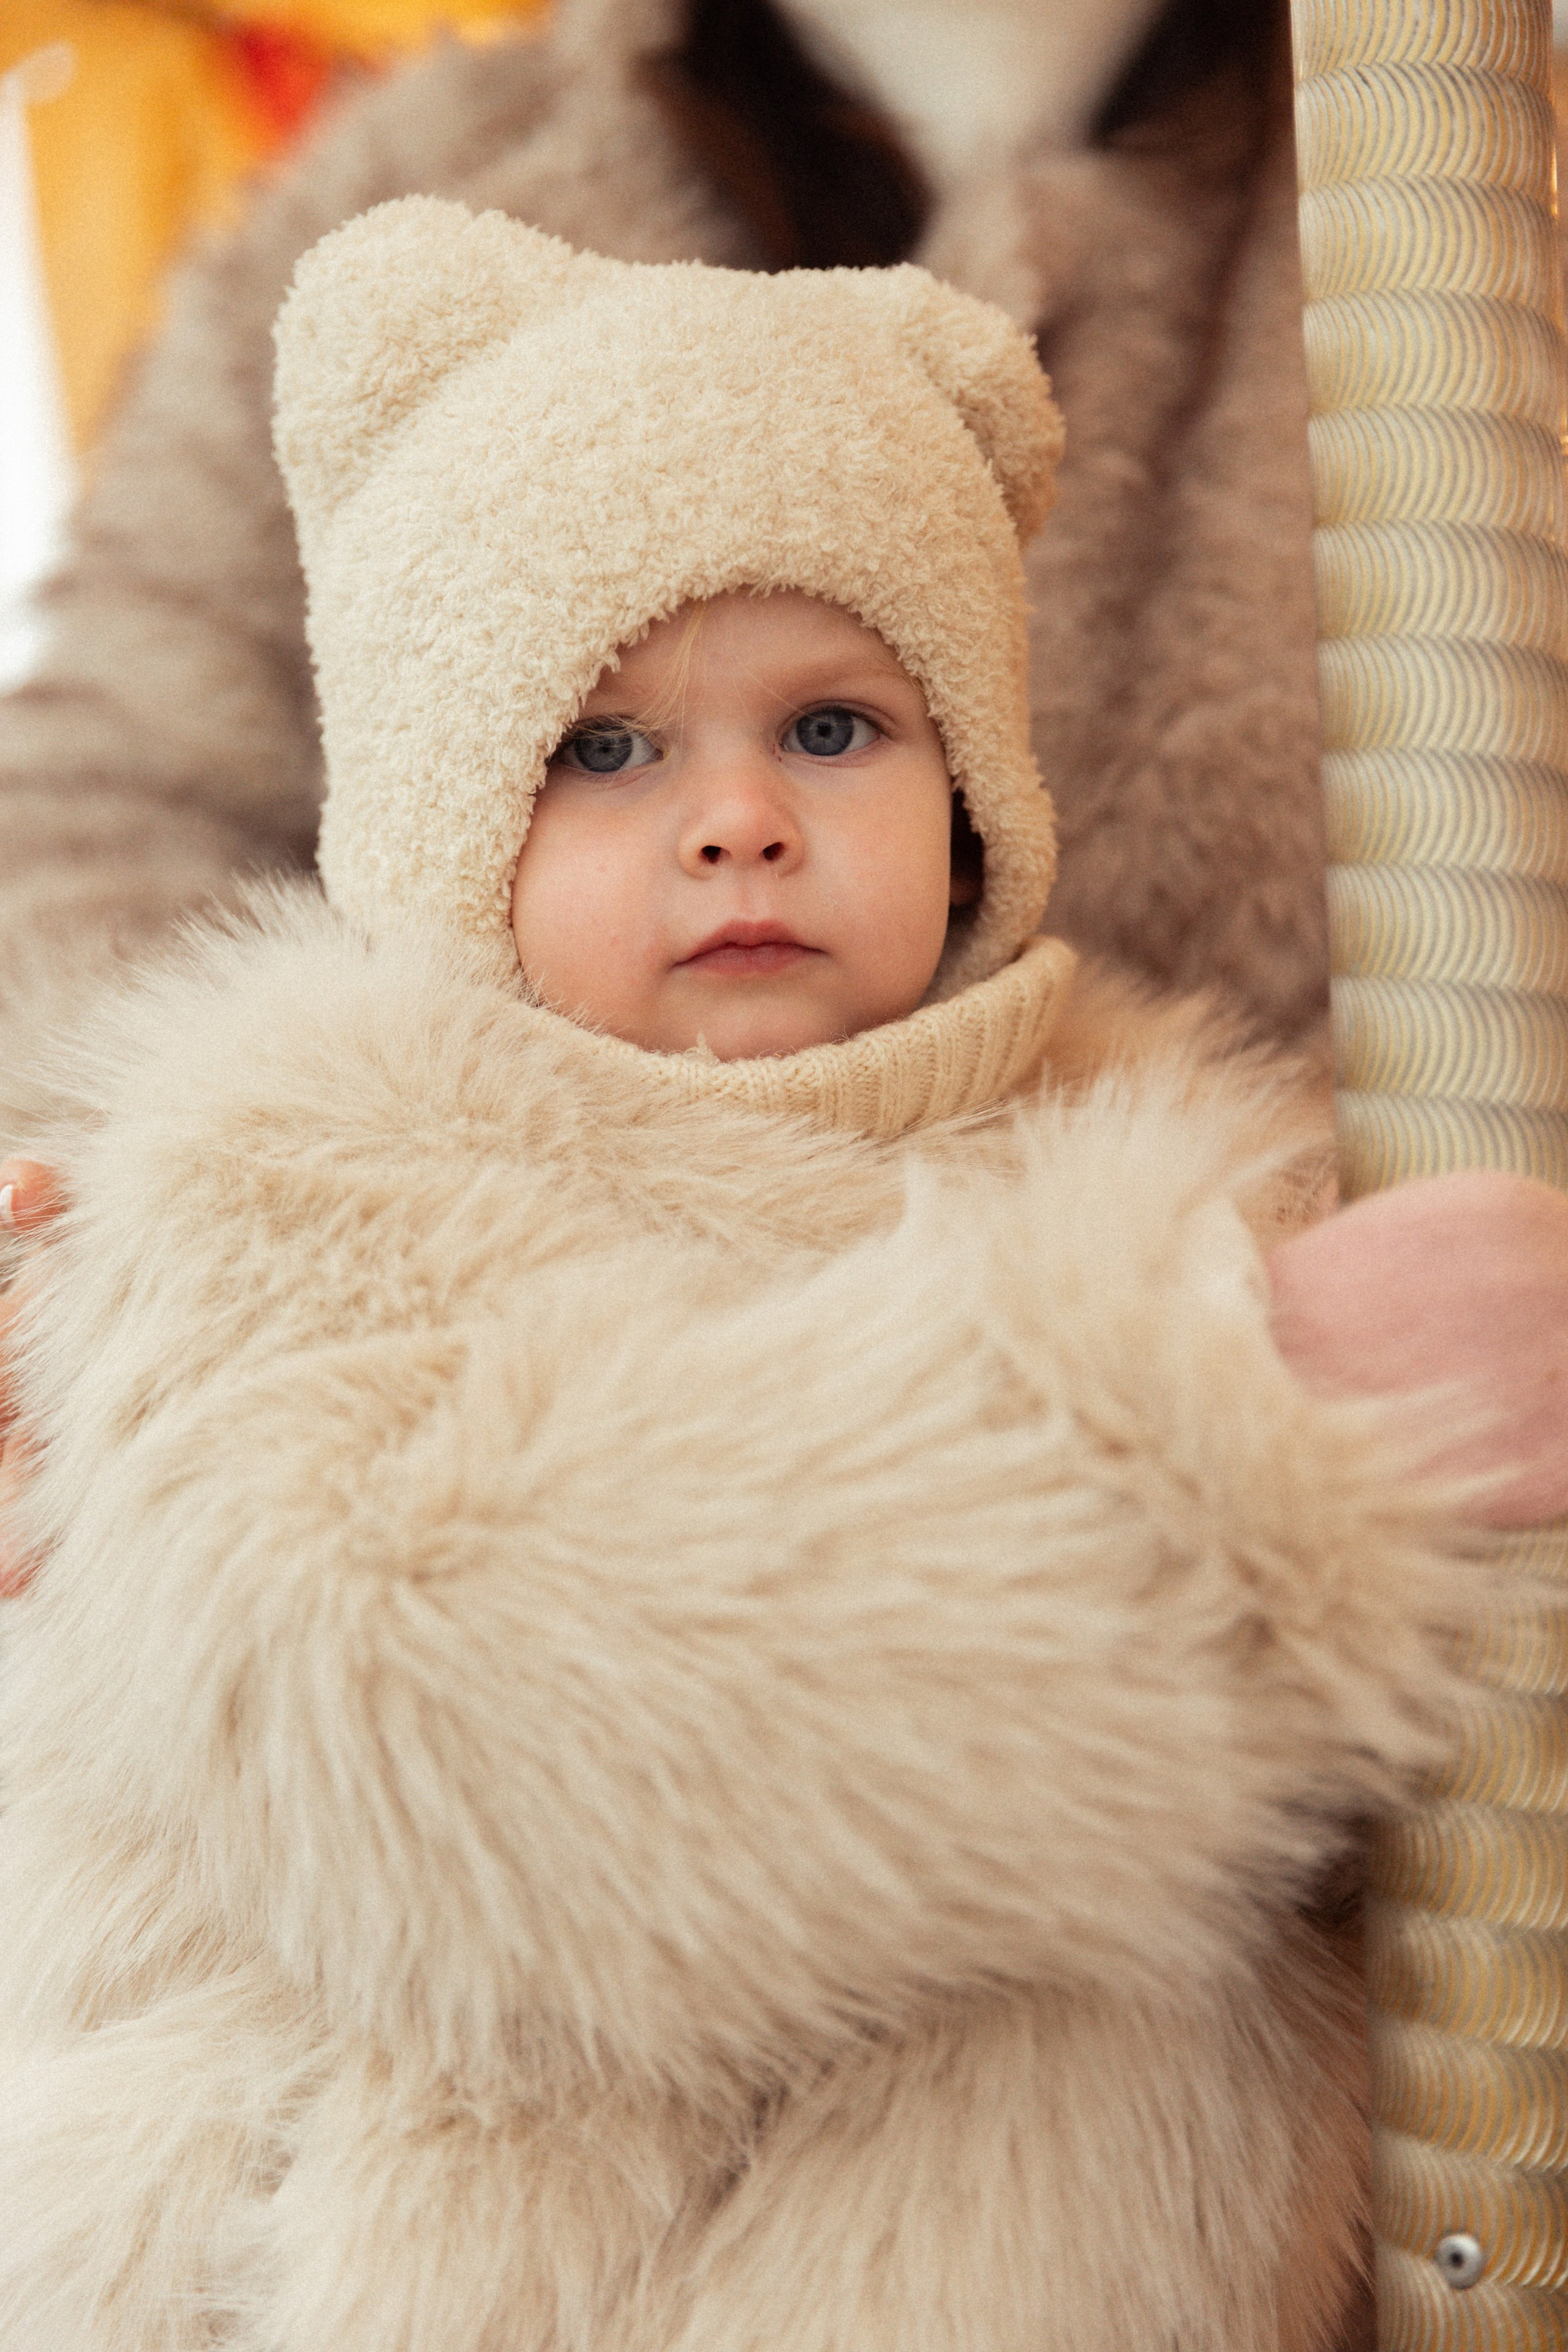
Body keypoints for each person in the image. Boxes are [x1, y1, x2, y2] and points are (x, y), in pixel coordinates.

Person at [0, 200, 1513, 2351]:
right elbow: (476, 1698)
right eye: (606, 749)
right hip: (415, 2270)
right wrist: (1267, 1423)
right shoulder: (293, 1168)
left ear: (973, 790)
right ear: (445, 822)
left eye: (831, 729)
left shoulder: (1176, 1162)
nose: (737, 821)